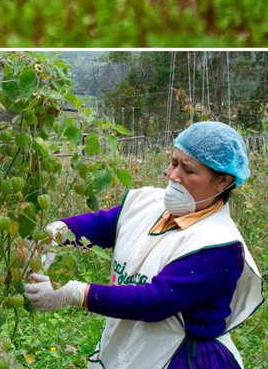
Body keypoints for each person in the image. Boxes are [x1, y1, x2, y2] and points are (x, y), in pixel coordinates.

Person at [24, 121, 263, 368]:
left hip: (184, 356)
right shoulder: (150, 203)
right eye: (173, 162)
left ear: (223, 181)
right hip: (136, 341)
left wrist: (74, 293)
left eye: (188, 170)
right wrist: (55, 233)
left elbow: (155, 300)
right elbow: (105, 225)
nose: (173, 175)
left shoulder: (218, 247)